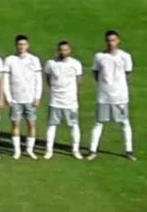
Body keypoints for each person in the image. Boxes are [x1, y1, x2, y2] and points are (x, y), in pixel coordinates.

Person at [89, 30, 134, 160]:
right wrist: (105, 86)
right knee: (99, 123)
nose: (111, 43)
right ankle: (93, 150)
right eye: (109, 40)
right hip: (103, 96)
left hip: (120, 97)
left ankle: (129, 151)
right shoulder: (99, 56)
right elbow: (96, 73)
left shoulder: (125, 56)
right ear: (106, 41)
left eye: (113, 40)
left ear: (118, 40)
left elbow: (127, 74)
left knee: (124, 123)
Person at [5, 34, 43, 159]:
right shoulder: (10, 59)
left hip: (30, 99)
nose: (21, 47)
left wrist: (37, 96)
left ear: (28, 45)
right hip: (15, 99)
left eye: (24, 44)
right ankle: (17, 150)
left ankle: (29, 149)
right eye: (19, 44)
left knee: (31, 124)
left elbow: (38, 79)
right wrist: (8, 97)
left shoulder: (34, 60)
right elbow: (6, 79)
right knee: (15, 124)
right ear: (16, 45)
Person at [44, 40, 83, 159]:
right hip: (55, 101)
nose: (63, 52)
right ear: (58, 50)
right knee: (52, 125)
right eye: (61, 50)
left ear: (69, 50)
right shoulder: (51, 63)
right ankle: (49, 150)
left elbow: (78, 79)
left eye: (65, 50)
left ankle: (75, 150)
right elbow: (47, 78)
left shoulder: (76, 64)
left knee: (73, 125)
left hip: (71, 102)